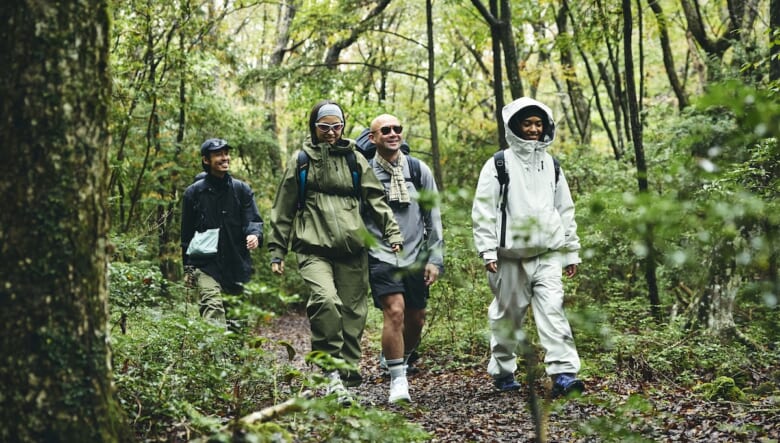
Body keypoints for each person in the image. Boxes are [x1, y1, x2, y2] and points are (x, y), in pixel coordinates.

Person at [267, 100, 403, 402]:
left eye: (336, 126)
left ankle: (346, 377)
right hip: (313, 248)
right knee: (326, 301)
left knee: (353, 314)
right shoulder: (301, 160)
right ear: (314, 127)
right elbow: (283, 208)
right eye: (324, 126)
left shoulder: (355, 158)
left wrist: (391, 231)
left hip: (352, 248)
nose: (330, 132)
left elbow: (375, 199)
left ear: (343, 127)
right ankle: (329, 371)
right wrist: (277, 250)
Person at [471, 97, 585, 398]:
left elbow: (564, 208)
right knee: (507, 316)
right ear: (515, 126)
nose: (534, 129)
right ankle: (503, 371)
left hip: (547, 254)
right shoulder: (499, 164)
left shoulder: (552, 165)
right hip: (510, 257)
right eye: (527, 123)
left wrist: (570, 251)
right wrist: (487, 250)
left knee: (553, 312)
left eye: (538, 123)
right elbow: (484, 210)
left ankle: (563, 373)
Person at [362, 114, 444, 404]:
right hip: (381, 254)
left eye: (397, 129)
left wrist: (435, 258)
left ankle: (398, 358)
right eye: (386, 130)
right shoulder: (364, 173)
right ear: (373, 138)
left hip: (415, 254)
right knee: (394, 311)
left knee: (416, 318)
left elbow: (433, 218)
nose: (393, 133)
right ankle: (399, 380)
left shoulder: (418, 171)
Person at [181, 138, 263, 329]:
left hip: (237, 264)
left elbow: (254, 220)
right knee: (213, 307)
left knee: (237, 321)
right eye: (218, 154)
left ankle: (236, 358)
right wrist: (188, 269)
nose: (224, 158)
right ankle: (216, 359)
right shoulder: (192, 194)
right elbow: (186, 236)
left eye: (226, 153)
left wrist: (254, 234)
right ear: (206, 160)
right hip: (206, 266)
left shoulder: (241, 190)